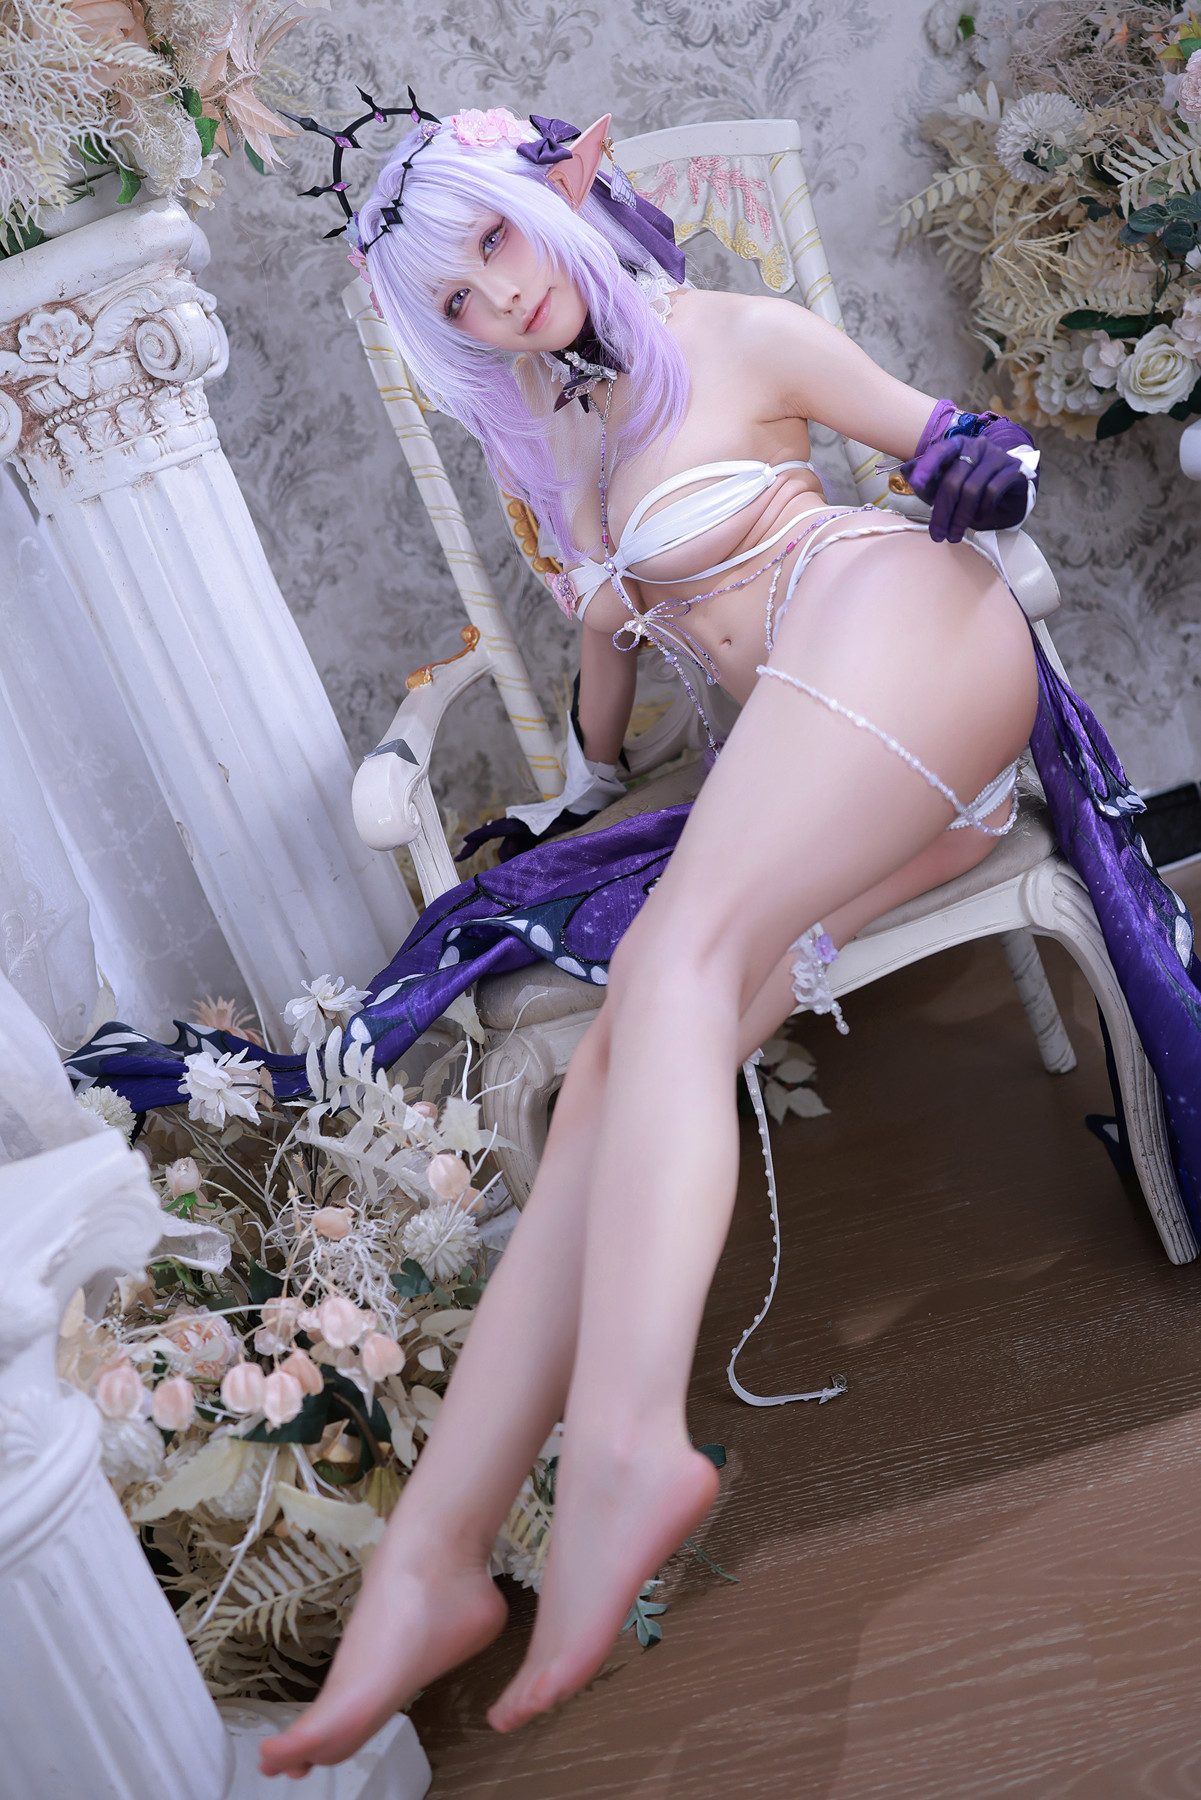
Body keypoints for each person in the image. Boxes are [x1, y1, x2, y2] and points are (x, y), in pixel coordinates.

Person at [260, 104, 1197, 1777]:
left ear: (563, 195)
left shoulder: (736, 334)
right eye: (453, 300)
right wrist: (589, 706)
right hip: (829, 761)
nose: (494, 299)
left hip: (908, 632)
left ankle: (627, 1441)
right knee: (616, 1060)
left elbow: (960, 447)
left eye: (494, 243)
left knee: (670, 969)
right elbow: (608, 695)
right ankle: (435, 1557)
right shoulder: (559, 443)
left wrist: (979, 467)